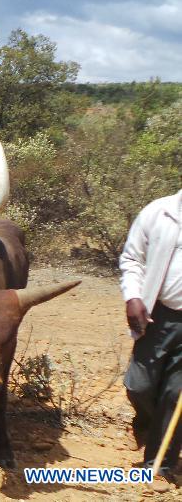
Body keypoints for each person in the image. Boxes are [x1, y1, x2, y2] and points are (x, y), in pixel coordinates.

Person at [120, 189, 182, 478]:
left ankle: (159, 465)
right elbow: (132, 258)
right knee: (139, 385)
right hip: (157, 314)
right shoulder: (159, 212)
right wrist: (133, 297)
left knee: (175, 394)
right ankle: (146, 423)